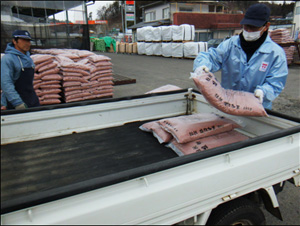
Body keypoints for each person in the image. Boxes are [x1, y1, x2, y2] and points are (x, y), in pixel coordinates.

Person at [193, 3, 288, 110]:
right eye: (246, 27)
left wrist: (264, 92)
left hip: (256, 108)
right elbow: (211, 56)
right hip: (228, 105)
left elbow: (276, 82)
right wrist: (202, 65)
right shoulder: (230, 45)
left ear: (266, 26)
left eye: (254, 28)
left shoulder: (275, 54)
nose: (249, 31)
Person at [1, 30, 40, 110]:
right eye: (23, 40)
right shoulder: (8, 59)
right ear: (14, 41)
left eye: (28, 41)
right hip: (15, 104)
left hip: (31, 100)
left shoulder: (29, 59)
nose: (27, 43)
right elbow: (6, 83)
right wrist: (17, 103)